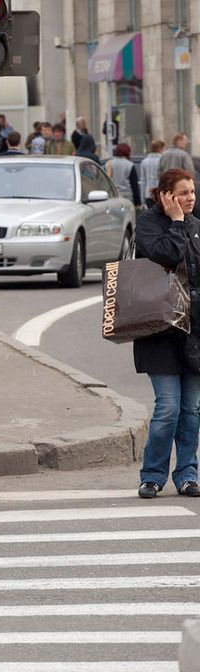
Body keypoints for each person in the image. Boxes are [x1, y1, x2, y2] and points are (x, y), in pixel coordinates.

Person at [133, 169, 200, 499]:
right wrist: (175, 222)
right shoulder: (148, 225)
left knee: (192, 410)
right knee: (168, 409)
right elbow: (167, 256)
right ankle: (153, 474)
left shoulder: (196, 226)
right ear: (164, 195)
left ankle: (187, 473)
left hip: (194, 334)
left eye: (192, 192)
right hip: (159, 331)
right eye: (183, 192)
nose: (190, 198)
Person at [106, 142, 141, 206]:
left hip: (112, 198)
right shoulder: (130, 165)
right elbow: (134, 185)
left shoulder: (108, 164)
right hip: (127, 199)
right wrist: (137, 201)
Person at [140, 140, 166, 205]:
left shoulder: (144, 162)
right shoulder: (163, 160)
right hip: (161, 194)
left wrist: (142, 199)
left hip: (148, 194)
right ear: (161, 149)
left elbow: (143, 181)